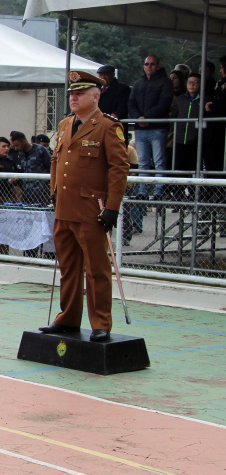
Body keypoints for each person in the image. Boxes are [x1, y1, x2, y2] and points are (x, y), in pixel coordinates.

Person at [39, 71, 128, 343]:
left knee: (96, 269)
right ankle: (67, 318)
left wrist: (112, 206)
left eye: (79, 93)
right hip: (65, 209)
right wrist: (54, 193)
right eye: (71, 93)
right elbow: (56, 161)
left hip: (92, 210)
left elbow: (119, 168)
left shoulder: (108, 127)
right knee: (68, 267)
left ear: (96, 96)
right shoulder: (65, 125)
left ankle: (101, 322)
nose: (73, 97)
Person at [128, 55, 173, 202]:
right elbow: (131, 103)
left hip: (157, 127)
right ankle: (143, 191)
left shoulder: (165, 82)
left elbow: (165, 103)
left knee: (159, 161)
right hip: (141, 129)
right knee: (143, 162)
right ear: (143, 66)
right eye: (146, 64)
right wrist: (138, 118)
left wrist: (146, 117)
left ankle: (158, 191)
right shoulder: (138, 83)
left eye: (152, 64)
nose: (149, 66)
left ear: (158, 65)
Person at [9, 130, 52, 204]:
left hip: (42, 194)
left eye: (17, 145)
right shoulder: (20, 154)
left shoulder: (41, 150)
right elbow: (21, 171)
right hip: (26, 194)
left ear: (24, 142)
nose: (15, 148)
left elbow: (51, 167)